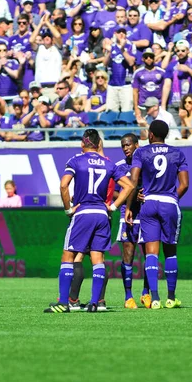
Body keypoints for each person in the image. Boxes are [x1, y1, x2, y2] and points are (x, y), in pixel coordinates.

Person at [44, 129, 134, 313]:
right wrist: (114, 206)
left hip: (83, 212)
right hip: (102, 214)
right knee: (98, 258)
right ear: (98, 143)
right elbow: (129, 186)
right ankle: (95, 302)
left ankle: (63, 302)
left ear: (82, 143)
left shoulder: (76, 160)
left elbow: (63, 185)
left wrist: (68, 209)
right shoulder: (108, 164)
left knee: (68, 255)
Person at [126, 120, 189, 310]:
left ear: (151, 135)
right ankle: (171, 298)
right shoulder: (177, 153)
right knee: (170, 251)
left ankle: (154, 298)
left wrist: (129, 206)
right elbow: (185, 184)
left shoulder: (141, 152)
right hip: (169, 202)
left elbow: (133, 180)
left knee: (151, 252)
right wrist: (171, 199)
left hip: (149, 203)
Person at [115, 133, 146, 309]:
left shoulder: (146, 164)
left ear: (136, 145)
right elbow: (112, 192)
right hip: (128, 216)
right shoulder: (119, 167)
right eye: (123, 146)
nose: (126, 148)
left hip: (146, 215)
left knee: (149, 253)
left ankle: (146, 293)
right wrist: (131, 197)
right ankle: (128, 296)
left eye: (128, 145)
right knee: (128, 254)